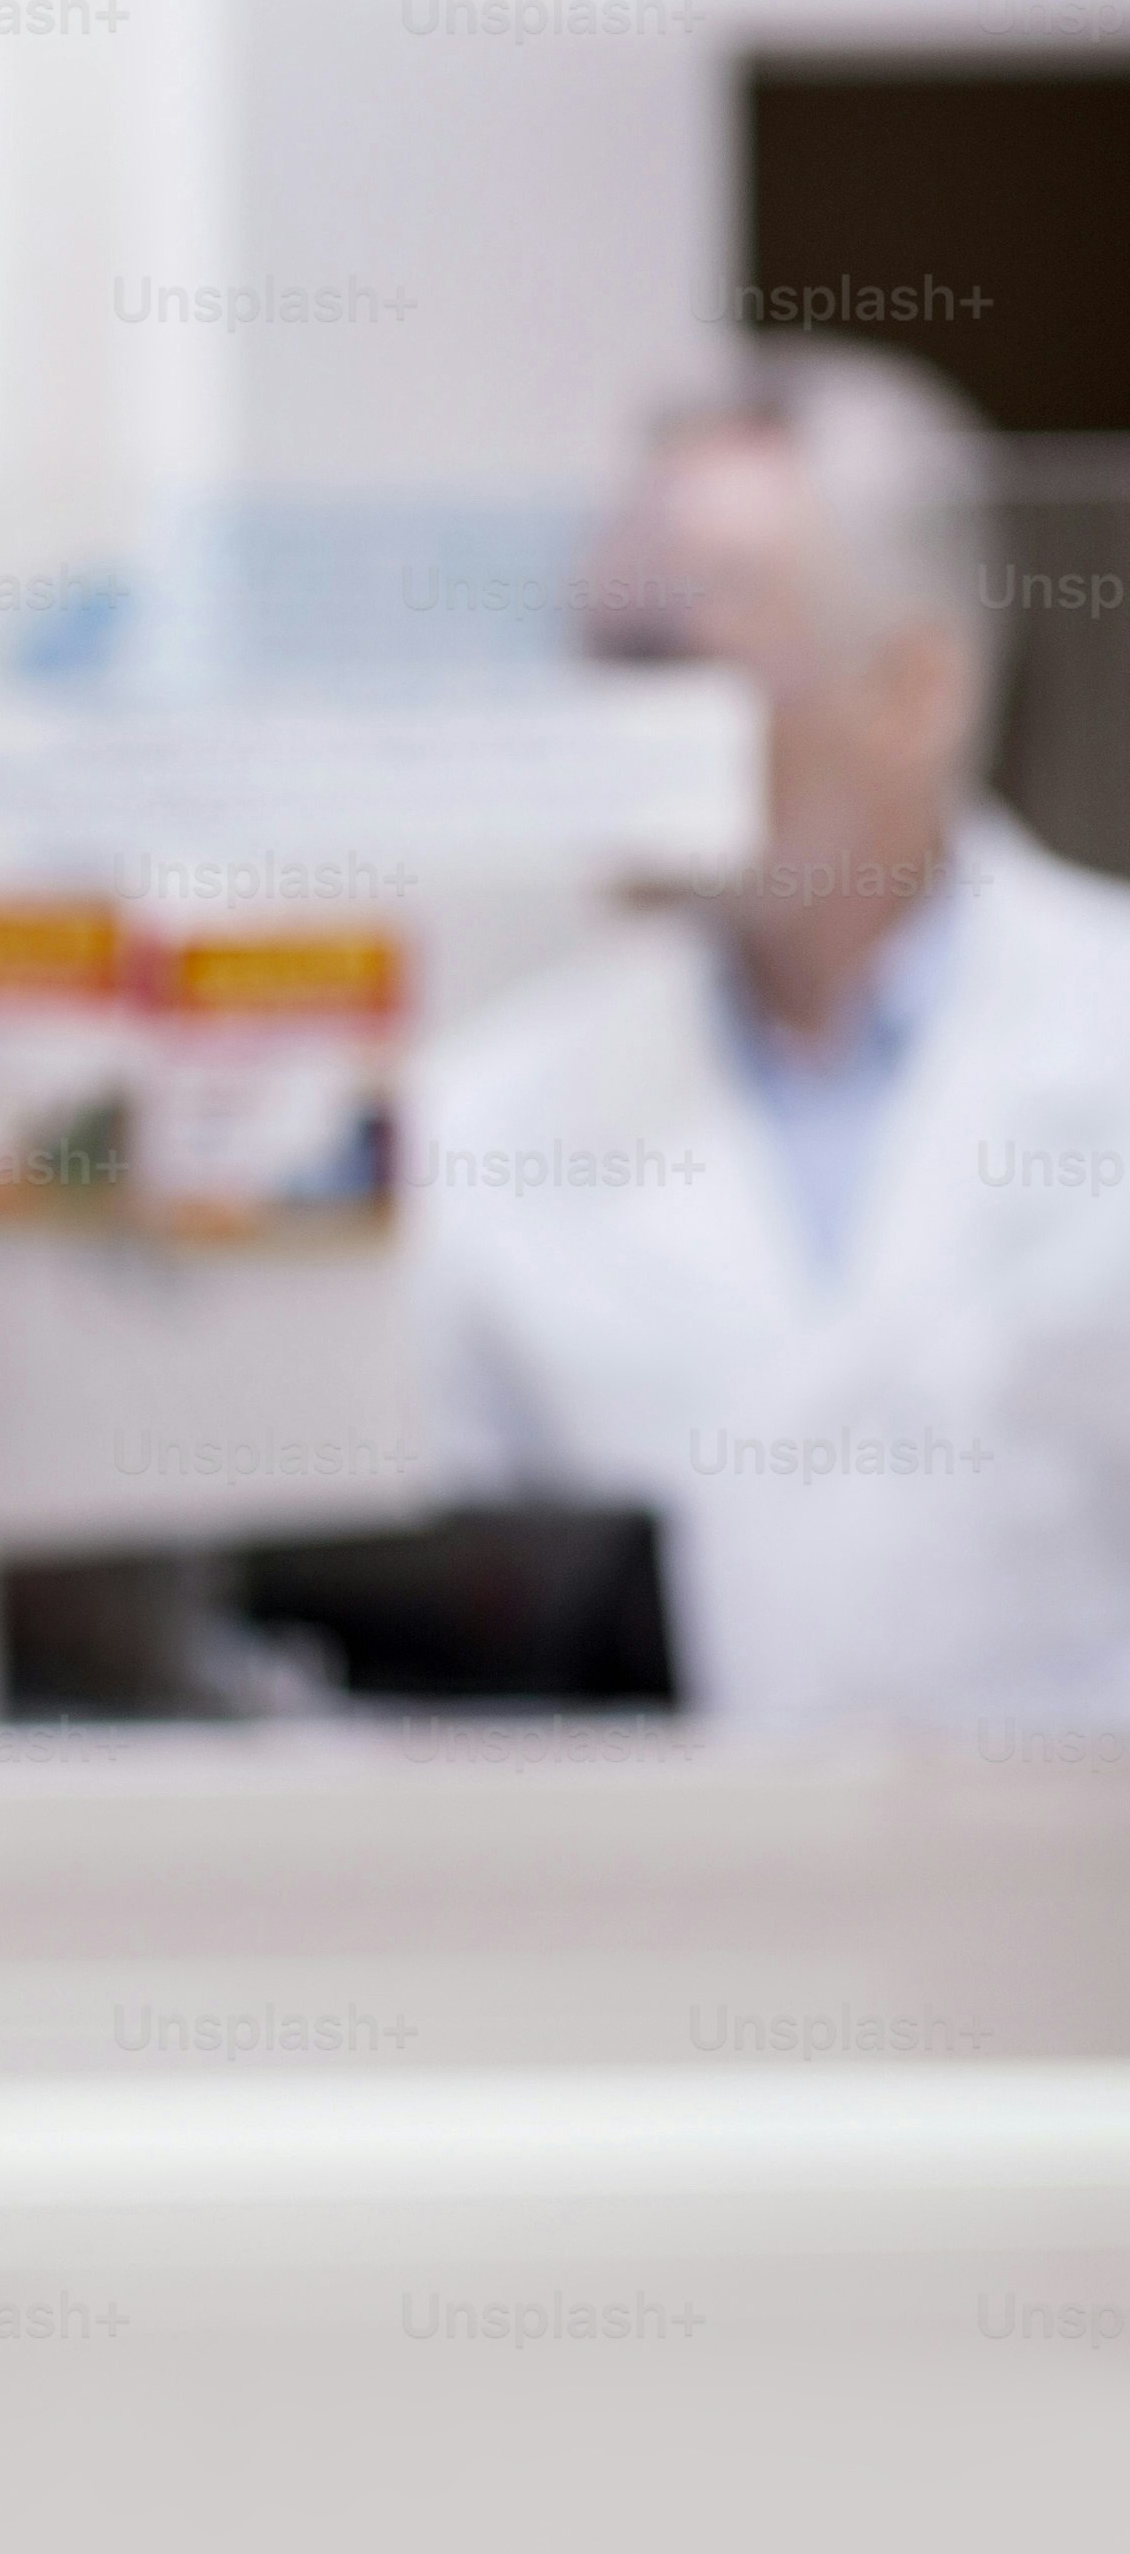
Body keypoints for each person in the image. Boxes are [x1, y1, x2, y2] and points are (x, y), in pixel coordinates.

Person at [411, 338, 1130, 1725]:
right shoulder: (482, 1125)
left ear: (912, 691)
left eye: (672, 659)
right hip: (676, 1920)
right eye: (597, 661)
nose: (614, 729)